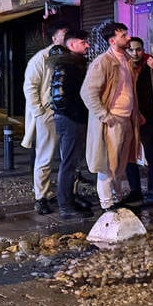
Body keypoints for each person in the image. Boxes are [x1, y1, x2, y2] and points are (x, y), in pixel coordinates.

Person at [80, 22, 141, 213]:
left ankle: (117, 198)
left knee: (120, 164)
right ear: (113, 40)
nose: (128, 38)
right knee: (107, 164)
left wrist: (135, 114)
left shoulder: (126, 60)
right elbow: (88, 92)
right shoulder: (103, 62)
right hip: (112, 120)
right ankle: (107, 203)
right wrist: (104, 115)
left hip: (126, 119)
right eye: (123, 36)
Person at [22, 20, 68, 215]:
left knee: (68, 156)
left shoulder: (70, 56)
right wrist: (39, 112)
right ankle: (41, 196)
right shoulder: (41, 59)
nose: (67, 37)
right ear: (54, 37)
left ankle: (65, 193)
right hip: (48, 113)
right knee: (45, 156)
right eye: (63, 34)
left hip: (67, 112)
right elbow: (30, 87)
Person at [48, 30, 93, 220]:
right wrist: (78, 115)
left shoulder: (73, 64)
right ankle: (65, 205)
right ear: (72, 45)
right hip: (71, 120)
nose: (88, 45)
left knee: (73, 163)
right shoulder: (68, 66)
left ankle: (70, 201)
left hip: (73, 118)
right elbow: (60, 96)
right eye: (84, 42)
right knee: (68, 163)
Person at [124, 37, 153, 206]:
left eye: (138, 49)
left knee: (152, 154)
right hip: (128, 115)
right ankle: (135, 190)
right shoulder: (123, 66)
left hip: (147, 116)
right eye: (131, 49)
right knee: (129, 155)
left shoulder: (149, 66)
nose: (135, 53)